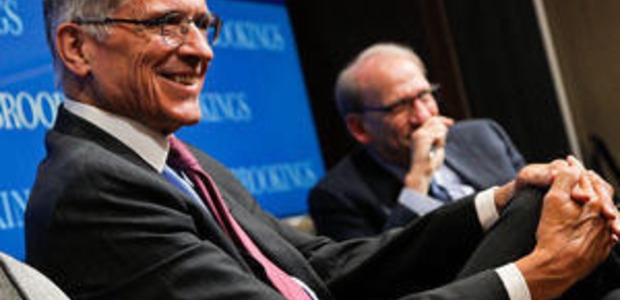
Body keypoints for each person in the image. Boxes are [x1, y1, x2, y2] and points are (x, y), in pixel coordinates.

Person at [25, 0, 620, 299]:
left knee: (540, 205)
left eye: (203, 25)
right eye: (167, 24)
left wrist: (503, 197)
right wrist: (530, 278)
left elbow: (326, 269)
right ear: (77, 48)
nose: (200, 49)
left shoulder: (185, 161)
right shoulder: (92, 188)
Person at [309, 43, 527, 241]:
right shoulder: (338, 196)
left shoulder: (483, 135)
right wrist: (418, 179)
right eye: (400, 106)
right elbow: (380, 274)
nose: (423, 117)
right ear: (360, 127)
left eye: (424, 95)